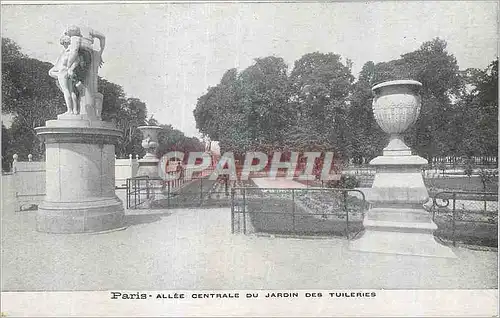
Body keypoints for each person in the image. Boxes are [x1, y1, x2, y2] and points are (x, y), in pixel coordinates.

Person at [48, 35, 83, 115]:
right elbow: (76, 61)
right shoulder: (71, 51)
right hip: (67, 72)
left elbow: (60, 65)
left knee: (66, 91)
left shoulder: (66, 52)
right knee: (71, 91)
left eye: (63, 43)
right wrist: (71, 69)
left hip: (63, 72)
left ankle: (69, 110)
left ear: (64, 42)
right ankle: (75, 110)